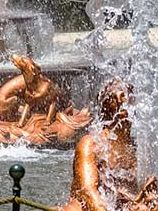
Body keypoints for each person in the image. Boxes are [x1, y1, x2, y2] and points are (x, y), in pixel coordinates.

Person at [64, 80, 158, 211]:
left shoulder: (138, 148)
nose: (133, 104)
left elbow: (138, 193)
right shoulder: (91, 144)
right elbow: (88, 193)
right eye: (124, 96)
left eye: (132, 98)